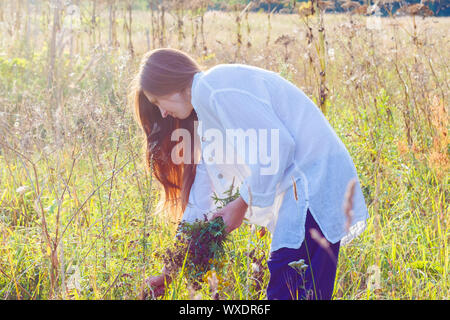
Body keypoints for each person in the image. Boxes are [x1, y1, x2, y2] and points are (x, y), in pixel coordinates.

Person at [129, 48, 369, 300]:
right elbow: (200, 200)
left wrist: (241, 203)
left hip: (313, 182)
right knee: (300, 289)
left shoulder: (215, 88)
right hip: (306, 187)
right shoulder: (208, 113)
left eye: (157, 102)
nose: (163, 113)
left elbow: (279, 145)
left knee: (290, 286)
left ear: (170, 83)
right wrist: (169, 272)